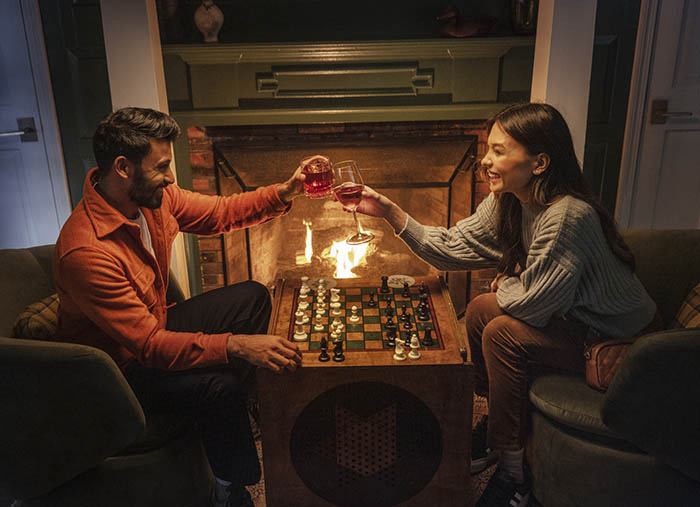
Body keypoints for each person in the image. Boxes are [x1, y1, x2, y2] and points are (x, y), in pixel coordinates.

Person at [349, 103, 657, 507]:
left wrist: (507, 280)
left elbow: (530, 307)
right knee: (479, 310)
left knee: (502, 332)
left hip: (621, 343)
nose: (485, 161)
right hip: (572, 321)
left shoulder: (567, 217)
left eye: (498, 151)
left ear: (540, 162)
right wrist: (390, 212)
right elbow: (452, 249)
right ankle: (498, 422)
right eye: (487, 149)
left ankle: (514, 476)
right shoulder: (510, 200)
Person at [53, 107, 306, 507]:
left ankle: (242, 416)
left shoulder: (153, 198)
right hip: (117, 372)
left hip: (156, 325)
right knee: (218, 386)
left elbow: (220, 213)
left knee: (253, 296)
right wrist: (235, 346)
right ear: (122, 167)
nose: (171, 177)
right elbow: (149, 346)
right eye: (162, 167)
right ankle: (231, 487)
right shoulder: (86, 251)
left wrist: (284, 193)